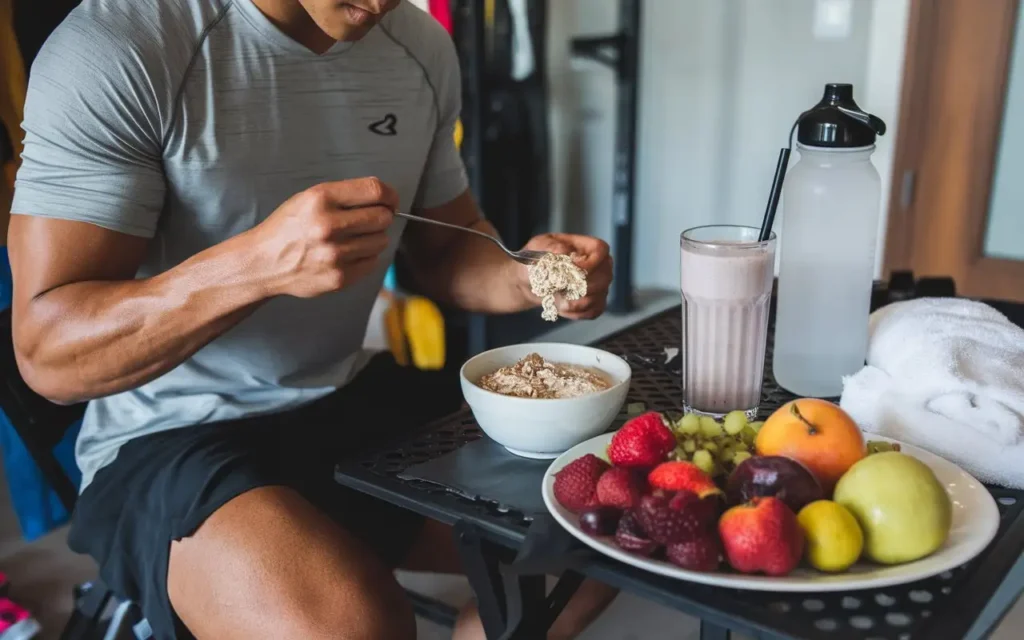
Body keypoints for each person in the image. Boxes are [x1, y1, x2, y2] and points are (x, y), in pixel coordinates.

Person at [7, 0, 617, 638]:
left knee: (608, 522)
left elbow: (448, 248)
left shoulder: (420, 48)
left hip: (346, 394)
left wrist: (530, 276)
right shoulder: (119, 45)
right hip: (169, 433)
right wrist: (255, 268)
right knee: (355, 624)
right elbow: (49, 354)